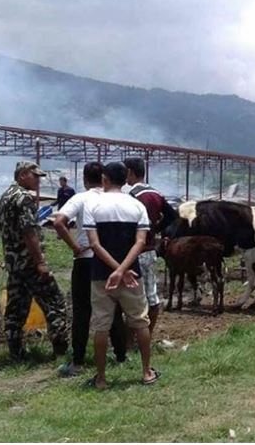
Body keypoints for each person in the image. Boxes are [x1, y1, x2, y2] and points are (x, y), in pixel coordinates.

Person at [83, 162, 159, 389]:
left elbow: (95, 245)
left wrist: (115, 271)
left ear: (104, 179)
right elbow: (140, 242)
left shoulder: (93, 205)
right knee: (140, 322)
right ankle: (146, 372)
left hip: (101, 276)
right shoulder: (136, 206)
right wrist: (123, 270)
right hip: (132, 276)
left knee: (101, 326)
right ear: (126, 178)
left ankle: (101, 378)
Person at [53, 163, 127, 376]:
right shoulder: (111, 199)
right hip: (108, 261)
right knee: (113, 308)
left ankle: (77, 362)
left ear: (85, 179)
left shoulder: (80, 198)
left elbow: (59, 222)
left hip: (85, 260)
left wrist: (75, 247)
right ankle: (121, 356)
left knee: (82, 311)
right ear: (104, 178)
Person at [0, 161, 69, 361]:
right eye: (35, 176)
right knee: (55, 304)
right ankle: (61, 352)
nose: (38, 180)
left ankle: (16, 354)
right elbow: (29, 232)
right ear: (22, 175)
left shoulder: (3, 198)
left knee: (15, 310)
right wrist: (40, 262)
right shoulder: (23, 198)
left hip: (14, 264)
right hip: (29, 262)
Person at [123, 157, 168, 335]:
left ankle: (129, 340)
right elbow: (171, 216)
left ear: (130, 173)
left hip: (133, 251)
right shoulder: (156, 194)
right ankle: (147, 335)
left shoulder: (132, 196)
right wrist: (155, 228)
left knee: (130, 298)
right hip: (149, 250)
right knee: (152, 296)